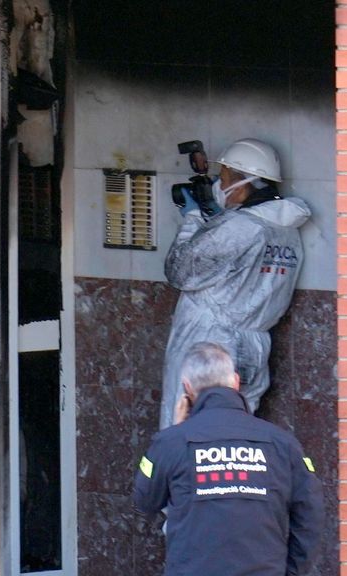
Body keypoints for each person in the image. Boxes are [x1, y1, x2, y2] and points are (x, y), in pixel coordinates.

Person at [134, 342, 324, 576]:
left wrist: (175, 430)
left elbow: (145, 500)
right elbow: (311, 514)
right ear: (235, 381)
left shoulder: (170, 442)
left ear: (187, 388)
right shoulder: (282, 443)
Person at [160, 138, 310, 428]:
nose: (219, 183)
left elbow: (180, 271)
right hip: (254, 347)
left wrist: (192, 219)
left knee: (188, 434)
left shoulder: (240, 227)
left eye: (224, 177)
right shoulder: (285, 231)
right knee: (234, 438)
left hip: (210, 346)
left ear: (243, 185)